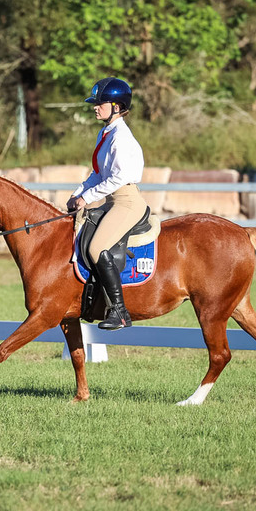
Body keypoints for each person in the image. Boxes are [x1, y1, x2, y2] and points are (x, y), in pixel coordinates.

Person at [66, 77, 148, 331]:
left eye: (100, 103)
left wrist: (88, 198)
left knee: (96, 247)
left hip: (127, 201)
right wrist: (78, 193)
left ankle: (120, 312)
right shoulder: (107, 132)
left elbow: (119, 177)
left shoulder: (120, 137)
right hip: (114, 200)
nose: (95, 106)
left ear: (116, 106)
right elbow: (98, 174)